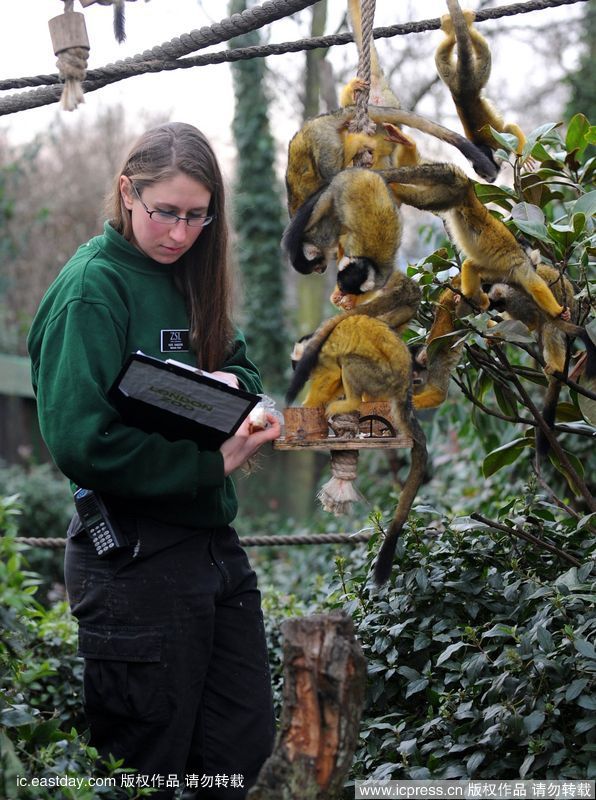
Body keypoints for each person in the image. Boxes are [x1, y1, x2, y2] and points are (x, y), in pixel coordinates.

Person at [27, 122, 281, 799]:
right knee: (149, 774)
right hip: (133, 560)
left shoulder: (195, 278)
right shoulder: (92, 289)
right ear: (126, 193)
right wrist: (206, 464)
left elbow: (246, 369)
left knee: (239, 757)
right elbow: (83, 442)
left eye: (197, 216)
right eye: (164, 211)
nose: (179, 232)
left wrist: (236, 393)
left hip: (214, 551)